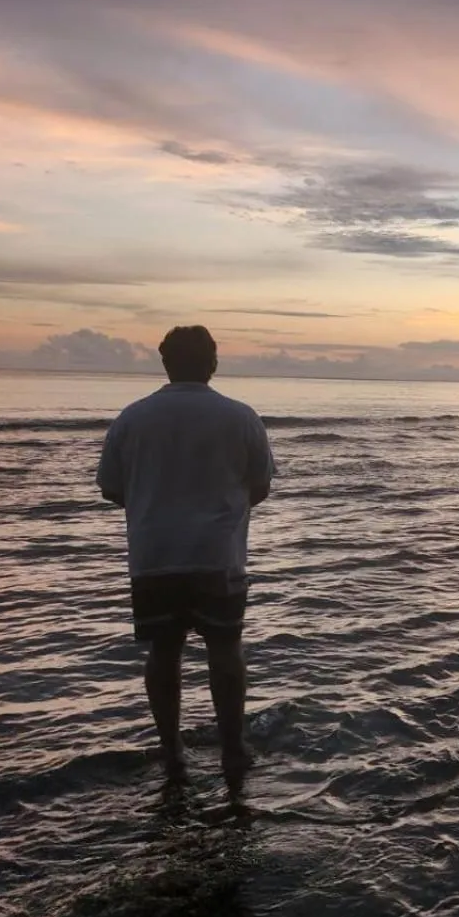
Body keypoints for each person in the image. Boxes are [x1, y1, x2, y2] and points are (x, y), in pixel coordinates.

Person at [96, 325, 275, 789]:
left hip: (155, 553)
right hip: (218, 554)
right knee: (225, 647)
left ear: (165, 363)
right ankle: (232, 749)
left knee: (163, 649)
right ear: (213, 363)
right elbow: (260, 487)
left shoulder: (133, 418)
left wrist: (156, 506)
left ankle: (172, 747)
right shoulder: (240, 417)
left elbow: (112, 489)